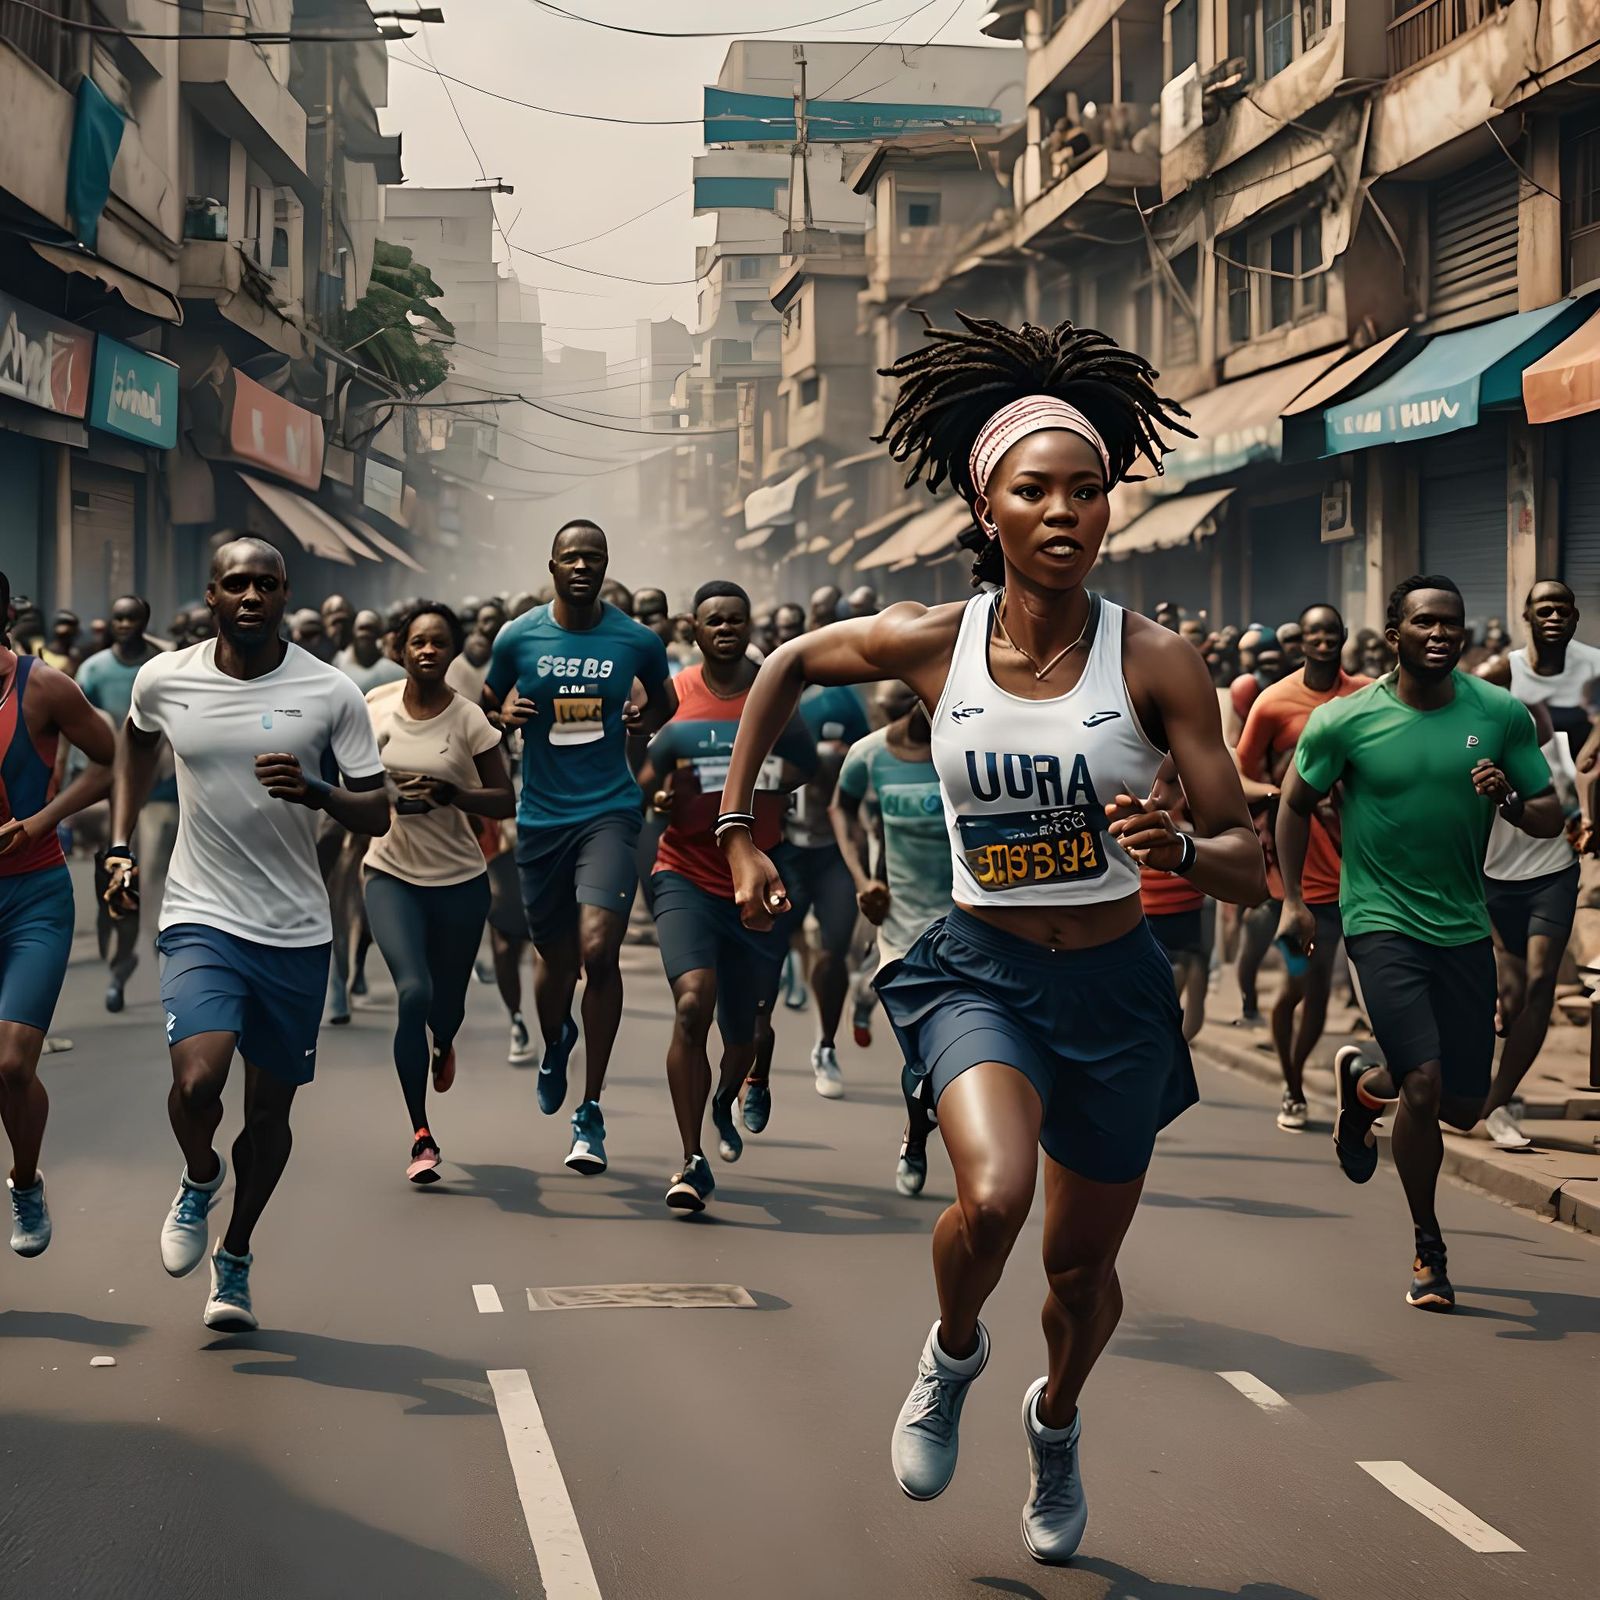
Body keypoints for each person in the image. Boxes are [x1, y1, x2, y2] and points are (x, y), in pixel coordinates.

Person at [716, 315, 1264, 1562]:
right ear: (989, 506)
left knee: (1078, 1275)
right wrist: (740, 830)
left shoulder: (1159, 661)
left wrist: (1179, 850)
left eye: (1088, 490)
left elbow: (1248, 861)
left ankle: (1055, 1419)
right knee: (996, 1193)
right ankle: (953, 1350)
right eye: (1037, 491)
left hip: (1116, 987)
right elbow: (790, 663)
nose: (1066, 512)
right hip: (979, 972)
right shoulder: (932, 641)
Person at [104, 537, 389, 1332]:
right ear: (213, 594)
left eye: (267, 583)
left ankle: (235, 1256)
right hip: (201, 915)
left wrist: (320, 791)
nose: (253, 596)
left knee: (268, 1120)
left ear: (285, 593)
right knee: (199, 1084)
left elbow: (379, 809)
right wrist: (121, 842)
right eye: (238, 584)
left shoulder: (330, 694)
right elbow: (134, 738)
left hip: (296, 930)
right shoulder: (166, 677)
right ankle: (199, 1178)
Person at [1278, 575, 1559, 1314]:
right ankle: (1428, 1247)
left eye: (1452, 623)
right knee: (1427, 1084)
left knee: (1463, 1107)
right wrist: (1293, 902)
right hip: (1378, 920)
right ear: (1394, 635)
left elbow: (1548, 815)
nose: (1440, 633)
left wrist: (1505, 796)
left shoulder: (1499, 714)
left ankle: (1364, 1089)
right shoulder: (1345, 721)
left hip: (1463, 925)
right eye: (1424, 622)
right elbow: (1294, 803)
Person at [488, 520, 675, 1174]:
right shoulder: (518, 637)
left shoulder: (636, 640)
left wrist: (639, 720)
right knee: (556, 963)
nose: (582, 566)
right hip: (540, 820)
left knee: (599, 951)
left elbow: (665, 706)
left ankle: (590, 1109)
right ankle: (552, 1043)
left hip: (610, 814)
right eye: (571, 557)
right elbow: (485, 705)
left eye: (593, 557)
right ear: (552, 565)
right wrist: (502, 716)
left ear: (604, 566)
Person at [634, 582, 814, 1212]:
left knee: (745, 1030)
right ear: (695, 627)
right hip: (683, 870)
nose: (727, 630)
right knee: (692, 1005)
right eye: (714, 621)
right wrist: (658, 795)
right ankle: (690, 1159)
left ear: (748, 625)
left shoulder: (774, 690)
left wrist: (770, 781)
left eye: (737, 620)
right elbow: (645, 773)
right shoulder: (676, 694)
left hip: (755, 880)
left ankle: (723, 1097)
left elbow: (810, 762)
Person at [362, 603, 512, 1182]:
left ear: (452, 652)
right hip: (390, 875)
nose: (428, 651)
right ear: (400, 647)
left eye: (439, 643)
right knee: (412, 992)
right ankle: (421, 1134)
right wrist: (388, 799)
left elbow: (505, 800)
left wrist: (453, 794)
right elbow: (353, 780)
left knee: (445, 1007)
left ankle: (444, 1041)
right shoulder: (372, 706)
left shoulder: (470, 719)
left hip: (460, 882)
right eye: (417, 642)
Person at [1, 570, 116, 1260]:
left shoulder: (43, 687)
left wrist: (42, 819)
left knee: (13, 1065)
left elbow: (107, 760)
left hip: (33, 896)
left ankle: (24, 1180)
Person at [1236, 604, 1369, 1129]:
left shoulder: (1365, 694)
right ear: (1301, 642)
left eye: (1330, 632)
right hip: (1293, 871)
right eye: (1313, 632)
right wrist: (1284, 795)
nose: (1322, 640)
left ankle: (1300, 1082)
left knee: (1318, 989)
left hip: (1351, 868)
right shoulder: (1273, 704)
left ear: (1341, 639)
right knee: (1296, 985)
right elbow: (1239, 778)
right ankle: (1291, 1087)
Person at [1475, 580, 1597, 1148]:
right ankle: (1466, 1080)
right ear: (1525, 616)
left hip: (1554, 857)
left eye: (1562, 608)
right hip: (1492, 861)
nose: (1553, 616)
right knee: (1507, 989)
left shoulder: (1591, 671)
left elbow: (1575, 768)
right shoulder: (1501, 673)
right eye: (1542, 608)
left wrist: (1584, 818)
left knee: (1543, 979)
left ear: (1575, 617)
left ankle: (1499, 1103)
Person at [829, 679, 952, 1196]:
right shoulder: (870, 753)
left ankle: (919, 1134)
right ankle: (918, 1139)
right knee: (920, 1060)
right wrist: (862, 881)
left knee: (947, 1061)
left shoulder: (970, 752)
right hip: (900, 924)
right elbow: (841, 806)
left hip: (967, 925)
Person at [75, 596, 167, 1012]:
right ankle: (113, 943)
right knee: (106, 882)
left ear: (145, 622)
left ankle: (121, 967)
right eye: (119, 617)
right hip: (103, 791)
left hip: (157, 795)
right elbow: (74, 729)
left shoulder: (162, 667)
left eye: (133, 617)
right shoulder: (93, 670)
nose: (126, 623)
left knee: (134, 879)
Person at [334, 609, 406, 693]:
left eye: (370, 628)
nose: (365, 633)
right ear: (353, 632)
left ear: (379, 633)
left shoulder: (394, 671)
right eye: (362, 628)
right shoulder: (338, 664)